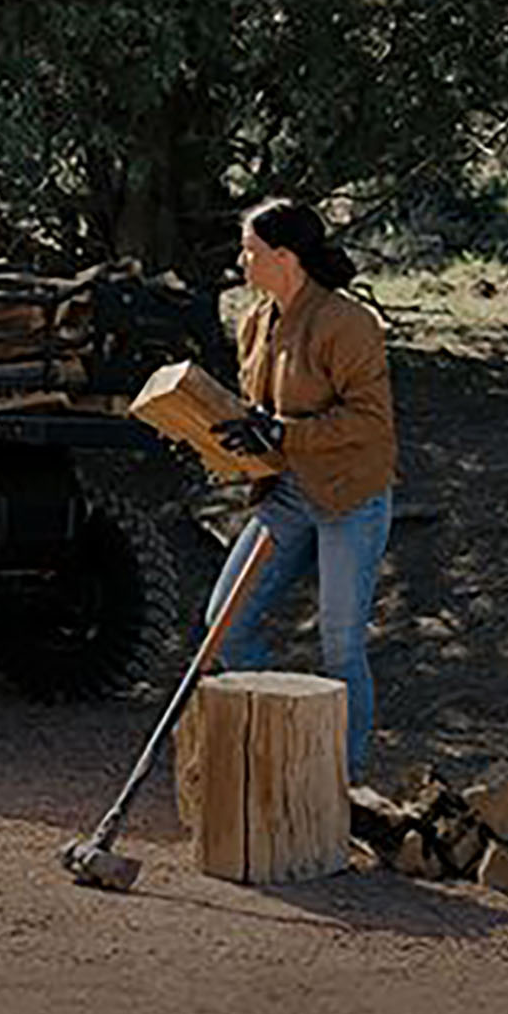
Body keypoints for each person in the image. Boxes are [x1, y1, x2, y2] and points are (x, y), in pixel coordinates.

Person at [207, 197, 397, 782]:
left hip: (349, 496)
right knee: (225, 624)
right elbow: (260, 414)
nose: (242, 261)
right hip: (287, 495)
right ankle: (289, 737)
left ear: (285, 257)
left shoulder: (347, 322)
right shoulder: (255, 321)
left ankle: (344, 777)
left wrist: (284, 432)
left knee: (340, 645)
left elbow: (371, 422)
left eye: (251, 251)